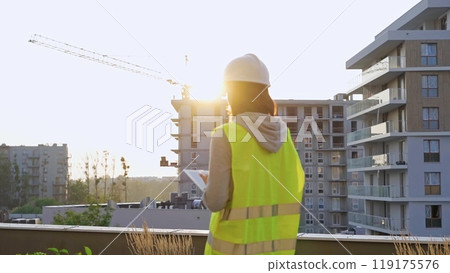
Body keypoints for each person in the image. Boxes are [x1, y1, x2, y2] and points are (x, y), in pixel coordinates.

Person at [201, 54, 305, 255]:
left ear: (231, 93)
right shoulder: (285, 136)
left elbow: (215, 201)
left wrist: (209, 186)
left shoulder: (225, 135)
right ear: (265, 93)